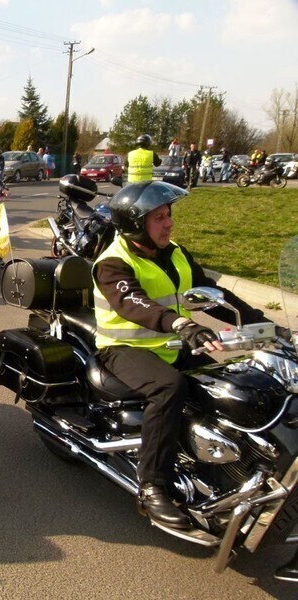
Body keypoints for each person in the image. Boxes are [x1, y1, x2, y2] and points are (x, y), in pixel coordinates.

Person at [92, 180, 280, 529]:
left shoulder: (175, 253)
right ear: (136, 225)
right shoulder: (112, 263)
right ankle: (151, 489)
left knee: (230, 385)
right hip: (125, 348)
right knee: (169, 388)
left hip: (174, 342)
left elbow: (213, 294)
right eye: (159, 217)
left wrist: (267, 325)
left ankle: (228, 464)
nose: (169, 223)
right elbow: (136, 304)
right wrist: (181, 324)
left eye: (168, 215)